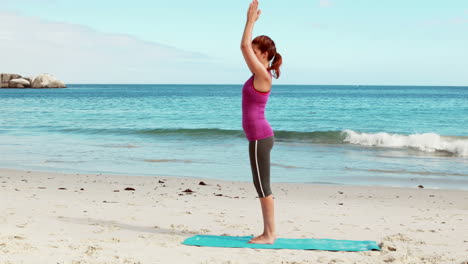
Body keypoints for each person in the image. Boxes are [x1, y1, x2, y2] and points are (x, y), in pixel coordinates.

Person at [240, 0, 283, 244]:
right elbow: (246, 47)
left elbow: (244, 45)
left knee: (262, 186)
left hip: (260, 138)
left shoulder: (263, 76)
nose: (251, 57)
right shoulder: (258, 75)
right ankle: (269, 232)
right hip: (258, 137)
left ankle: (269, 234)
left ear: (264, 55)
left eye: (256, 54)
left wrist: (250, 21)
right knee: (261, 185)